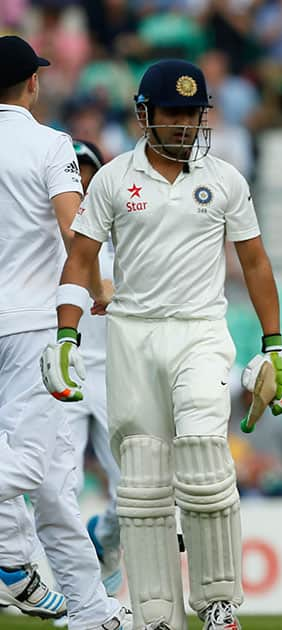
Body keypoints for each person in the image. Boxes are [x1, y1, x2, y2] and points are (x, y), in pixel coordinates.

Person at [42, 58, 282, 630]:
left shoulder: (226, 178)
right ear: (145, 114)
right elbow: (80, 258)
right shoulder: (112, 180)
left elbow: (255, 262)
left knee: (207, 457)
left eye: (193, 113)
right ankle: (157, 612)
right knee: (142, 483)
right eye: (173, 114)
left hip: (201, 331)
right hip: (132, 335)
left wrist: (276, 344)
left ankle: (218, 603)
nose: (184, 125)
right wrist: (66, 333)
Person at [0, 35, 130, 630]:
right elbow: (74, 232)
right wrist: (100, 290)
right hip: (32, 328)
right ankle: (8, 565)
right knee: (28, 471)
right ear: (32, 84)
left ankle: (89, 609)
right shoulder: (51, 144)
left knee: (52, 485)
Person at [62, 139, 124, 597]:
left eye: (89, 173)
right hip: (63, 368)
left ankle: (102, 538)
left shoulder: (124, 242)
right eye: (75, 174)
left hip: (111, 375)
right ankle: (77, 593)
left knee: (132, 493)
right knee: (57, 485)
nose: (82, 182)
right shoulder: (47, 241)